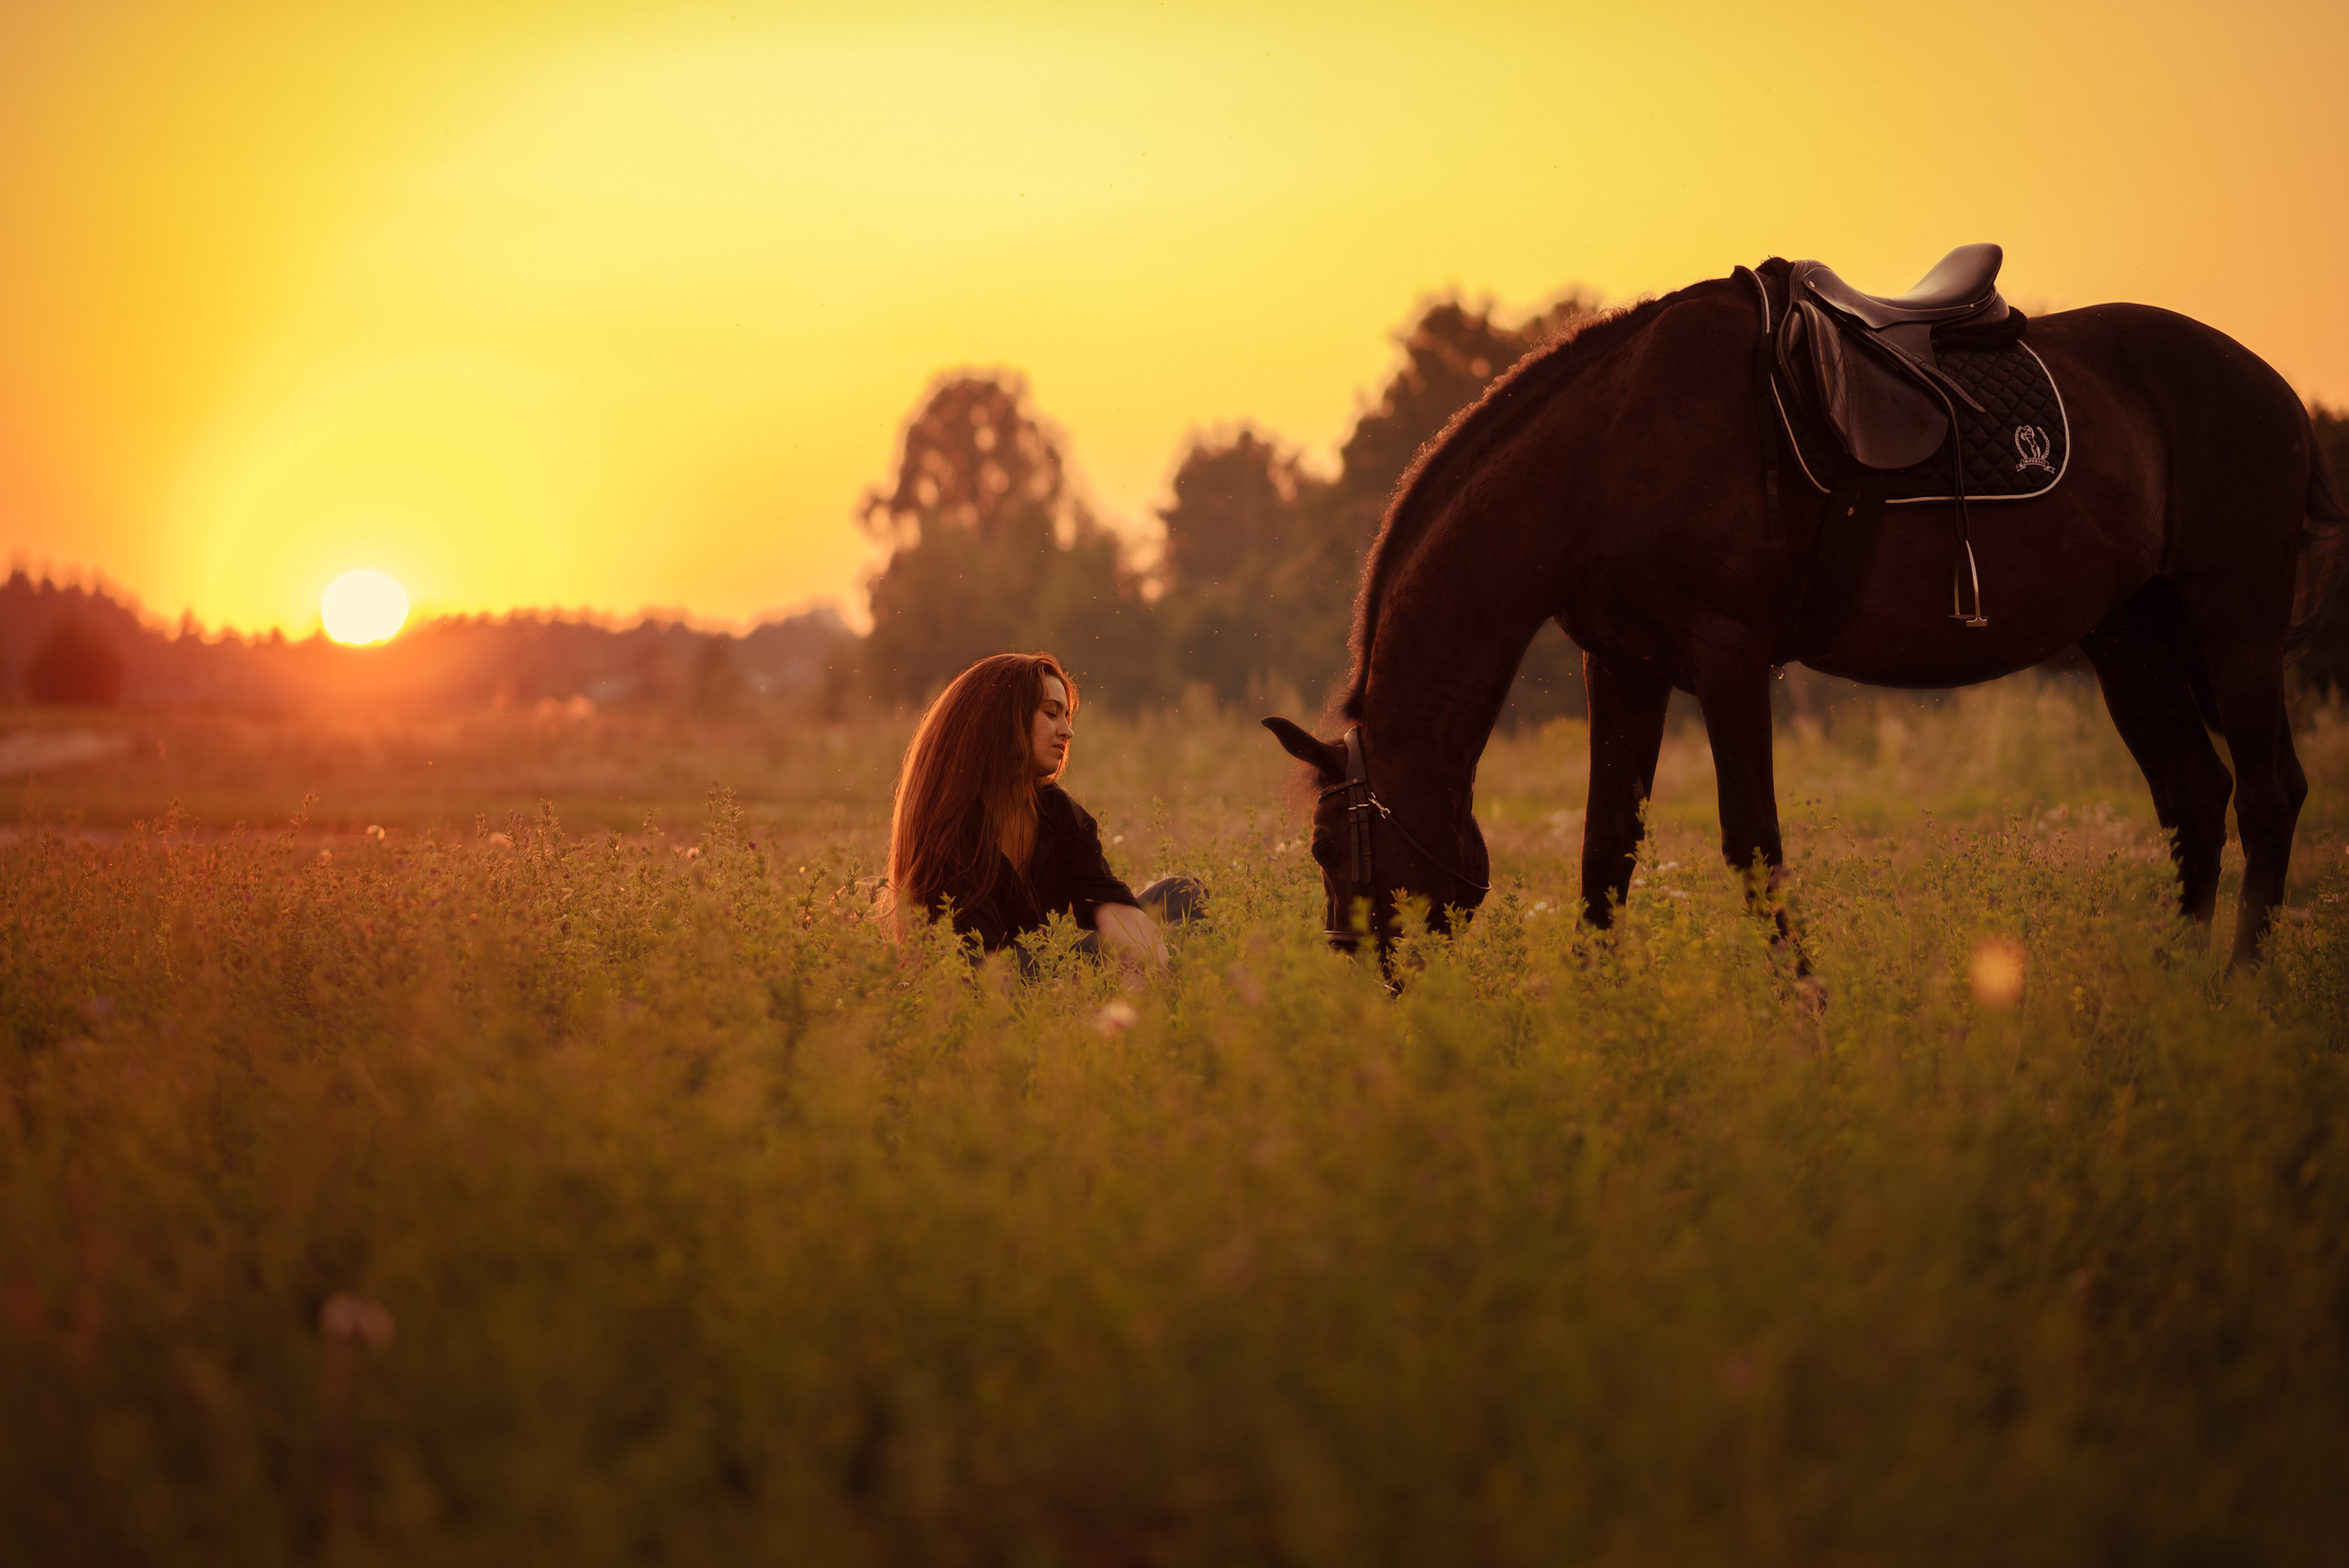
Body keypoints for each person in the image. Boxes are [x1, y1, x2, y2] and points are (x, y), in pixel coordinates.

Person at [887, 651, 1201, 964]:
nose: (1067, 731)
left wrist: (1153, 964)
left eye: (1067, 716)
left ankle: (1179, 991)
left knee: (1183, 893)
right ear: (1003, 720)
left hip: (1049, 974)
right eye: (1052, 713)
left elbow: (1108, 905)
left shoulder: (1057, 812)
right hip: (982, 983)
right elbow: (982, 965)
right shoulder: (950, 825)